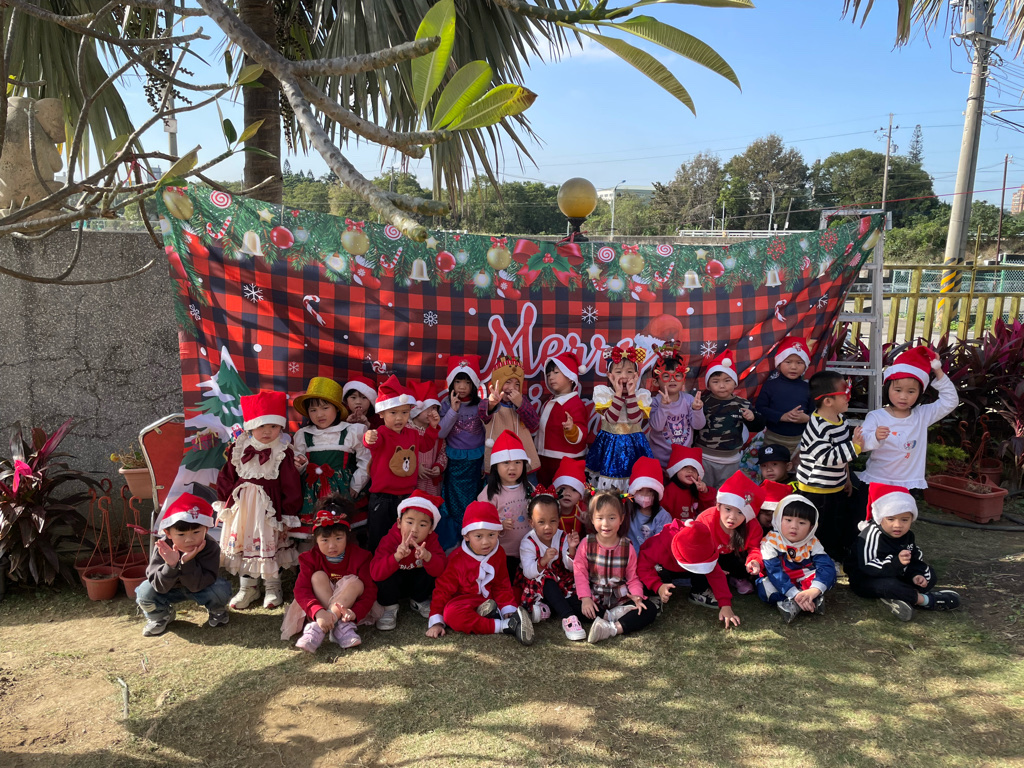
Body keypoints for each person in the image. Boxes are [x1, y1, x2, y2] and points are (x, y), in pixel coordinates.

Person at [216, 390, 302, 610]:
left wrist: (288, 514)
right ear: (250, 426)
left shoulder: (283, 451)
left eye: (273, 426)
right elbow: (227, 477)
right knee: (244, 546)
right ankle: (248, 588)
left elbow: (291, 484)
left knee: (269, 547)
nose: (267, 431)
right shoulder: (239, 448)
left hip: (269, 511)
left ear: (280, 427)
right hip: (243, 510)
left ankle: (273, 587)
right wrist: (225, 503)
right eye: (261, 426)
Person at [846, 483, 961, 621]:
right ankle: (924, 600)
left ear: (912, 519)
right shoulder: (871, 534)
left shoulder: (908, 535)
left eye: (904, 520)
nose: (898, 525)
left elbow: (914, 558)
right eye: (891, 519)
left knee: (929, 574)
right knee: (890, 586)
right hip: (867, 579)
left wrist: (916, 575)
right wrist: (896, 562)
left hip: (896, 574)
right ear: (880, 518)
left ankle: (900, 597)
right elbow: (868, 565)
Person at [425, 501, 534, 644]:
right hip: (464, 601)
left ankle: (498, 613)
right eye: (479, 536)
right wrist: (436, 621)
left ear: (498, 532)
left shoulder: (499, 553)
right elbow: (442, 590)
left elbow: (502, 584)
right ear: (466, 536)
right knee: (451, 614)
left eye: (491, 535)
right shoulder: (456, 559)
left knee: (518, 593)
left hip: (492, 597)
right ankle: (504, 625)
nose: (486, 542)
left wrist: (508, 607)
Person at [280, 497, 377, 652]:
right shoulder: (309, 559)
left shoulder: (361, 557)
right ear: (316, 539)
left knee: (355, 582)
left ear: (347, 535)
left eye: (338, 538)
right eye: (325, 540)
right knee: (317, 576)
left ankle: (320, 628)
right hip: (320, 605)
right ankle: (337, 626)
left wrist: (354, 612)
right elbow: (301, 590)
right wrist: (318, 612)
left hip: (349, 607)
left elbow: (370, 590)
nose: (332, 546)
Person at [858, 346, 958, 489]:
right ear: (887, 388)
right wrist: (875, 437)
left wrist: (938, 371)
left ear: (920, 393)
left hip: (909, 484)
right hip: (877, 481)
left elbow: (950, 401)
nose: (903, 397)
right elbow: (860, 445)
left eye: (911, 391)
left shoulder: (922, 415)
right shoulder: (876, 417)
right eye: (898, 390)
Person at [362, 375, 440, 553]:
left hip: (407, 497)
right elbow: (371, 442)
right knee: (378, 539)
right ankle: (377, 567)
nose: (399, 418)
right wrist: (368, 437)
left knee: (403, 539)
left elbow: (426, 445)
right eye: (393, 413)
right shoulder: (381, 433)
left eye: (404, 413)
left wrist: (433, 427)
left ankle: (401, 565)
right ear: (381, 413)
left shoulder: (412, 434)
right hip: (382, 499)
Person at [136, 493, 231, 637]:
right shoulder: (162, 547)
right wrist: (171, 565)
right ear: (168, 533)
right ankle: (160, 616)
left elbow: (198, 585)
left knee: (220, 588)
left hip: (200, 588)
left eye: (196, 532)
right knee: (144, 591)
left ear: (206, 529)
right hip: (169, 589)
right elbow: (158, 586)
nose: (189, 539)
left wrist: (187, 562)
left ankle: (217, 610)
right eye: (181, 534)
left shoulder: (210, 547)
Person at [677, 472, 766, 623]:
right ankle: (698, 592)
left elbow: (754, 548)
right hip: (707, 557)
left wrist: (754, 561)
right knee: (700, 567)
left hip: (728, 556)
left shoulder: (752, 526)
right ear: (718, 506)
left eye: (740, 512)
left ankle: (734, 578)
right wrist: (715, 569)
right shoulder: (706, 520)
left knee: (743, 564)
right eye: (728, 509)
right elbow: (698, 552)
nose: (732, 517)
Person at [796, 371, 865, 561]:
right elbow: (826, 457)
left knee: (835, 523)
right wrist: (855, 447)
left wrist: (847, 478)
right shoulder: (817, 427)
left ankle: (834, 553)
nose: (849, 397)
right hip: (815, 489)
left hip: (835, 485)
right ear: (828, 401)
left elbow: (842, 455)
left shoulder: (840, 419)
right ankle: (816, 558)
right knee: (818, 527)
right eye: (845, 394)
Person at [573, 492, 658, 644]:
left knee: (648, 609)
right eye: (600, 518)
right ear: (592, 519)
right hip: (595, 599)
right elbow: (580, 573)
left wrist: (637, 596)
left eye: (612, 518)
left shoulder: (627, 547)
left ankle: (612, 628)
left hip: (620, 600)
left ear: (621, 519)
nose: (606, 524)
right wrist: (585, 599)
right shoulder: (586, 544)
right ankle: (608, 616)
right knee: (572, 603)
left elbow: (633, 578)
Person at [292, 377, 370, 534]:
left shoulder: (352, 431)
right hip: (312, 493)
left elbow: (366, 460)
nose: (319, 414)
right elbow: (297, 464)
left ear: (337, 408)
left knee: (343, 532)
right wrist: (299, 465)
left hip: (342, 492)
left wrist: (356, 485)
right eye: (313, 410)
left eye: (325, 408)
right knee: (313, 534)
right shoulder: (303, 435)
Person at [369, 490, 447, 631]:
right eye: (409, 522)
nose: (414, 530)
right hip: (394, 585)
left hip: (416, 583)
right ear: (399, 522)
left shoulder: (431, 541)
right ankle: (389, 606)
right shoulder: (390, 540)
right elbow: (375, 573)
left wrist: (428, 557)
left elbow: (441, 570)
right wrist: (396, 557)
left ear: (431, 529)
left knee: (431, 564)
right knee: (386, 568)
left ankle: (419, 600)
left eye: (422, 525)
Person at [756, 494, 837, 624]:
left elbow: (826, 565)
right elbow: (774, 572)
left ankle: (806, 598)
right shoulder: (770, 541)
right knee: (764, 587)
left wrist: (814, 590)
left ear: (811, 527)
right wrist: (794, 593)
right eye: (788, 520)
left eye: (802, 523)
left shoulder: (812, 542)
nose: (794, 526)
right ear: (778, 519)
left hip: (803, 577)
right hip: (780, 581)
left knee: (829, 575)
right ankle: (805, 601)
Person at [518, 488, 585, 640]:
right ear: (531, 523)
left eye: (552, 521)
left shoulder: (562, 536)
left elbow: (570, 567)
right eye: (541, 522)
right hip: (538, 582)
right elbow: (528, 572)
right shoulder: (528, 542)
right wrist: (543, 561)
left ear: (559, 519)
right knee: (546, 577)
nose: (547, 527)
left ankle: (547, 609)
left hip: (562, 580)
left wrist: (572, 549)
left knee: (577, 599)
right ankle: (568, 618)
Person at [587, 343, 654, 491]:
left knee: (634, 478)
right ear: (609, 375)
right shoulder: (604, 393)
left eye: (629, 372)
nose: (624, 376)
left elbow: (635, 419)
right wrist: (618, 394)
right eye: (618, 372)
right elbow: (611, 419)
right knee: (608, 480)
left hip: (634, 444)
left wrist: (630, 394)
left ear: (636, 375)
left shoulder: (641, 395)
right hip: (609, 443)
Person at [694, 350, 765, 487]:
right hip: (704, 457)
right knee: (703, 490)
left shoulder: (743, 404)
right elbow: (695, 427)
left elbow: (759, 426)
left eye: (727, 381)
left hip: (730, 460)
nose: (722, 386)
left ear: (735, 382)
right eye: (716, 381)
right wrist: (695, 410)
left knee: (726, 492)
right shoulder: (703, 402)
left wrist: (752, 418)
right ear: (708, 384)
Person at [437, 354, 487, 549]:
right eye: (458, 381)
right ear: (452, 383)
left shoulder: (481, 405)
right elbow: (441, 432)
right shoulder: (446, 404)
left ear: (474, 384)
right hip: (454, 463)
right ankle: (454, 539)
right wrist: (453, 410)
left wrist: (485, 463)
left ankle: (472, 535)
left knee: (472, 501)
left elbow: (487, 434)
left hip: (475, 462)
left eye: (467, 382)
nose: (462, 387)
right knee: (453, 502)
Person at [477, 430, 533, 575]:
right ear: (496, 466)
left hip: (529, 550)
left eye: (517, 462)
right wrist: (499, 524)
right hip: (501, 552)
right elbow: (482, 521)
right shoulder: (490, 493)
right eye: (506, 463)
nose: (512, 467)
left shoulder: (529, 488)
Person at [646, 343, 705, 469]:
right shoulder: (654, 402)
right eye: (666, 376)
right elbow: (657, 426)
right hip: (659, 460)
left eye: (677, 375)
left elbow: (698, 426)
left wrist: (697, 410)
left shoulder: (689, 400)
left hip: (683, 460)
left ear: (683, 380)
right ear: (656, 381)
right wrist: (664, 406)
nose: (672, 379)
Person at [535, 351, 589, 486]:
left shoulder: (575, 404)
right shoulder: (549, 401)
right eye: (548, 374)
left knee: (562, 491)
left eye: (556, 372)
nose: (551, 377)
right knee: (544, 490)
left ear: (570, 376)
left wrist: (572, 430)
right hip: (544, 458)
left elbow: (582, 432)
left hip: (565, 460)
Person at [755, 337, 813, 460]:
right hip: (772, 439)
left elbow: (817, 413)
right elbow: (760, 408)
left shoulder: (808, 388)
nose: (793, 367)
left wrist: (807, 418)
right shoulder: (770, 386)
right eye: (788, 362)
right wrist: (782, 416)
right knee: (772, 466)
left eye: (799, 363)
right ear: (779, 363)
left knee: (793, 469)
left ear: (805, 365)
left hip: (799, 441)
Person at [482, 354, 540, 474]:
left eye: (517, 384)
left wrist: (521, 404)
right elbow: (483, 415)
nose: (512, 387)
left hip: (522, 455)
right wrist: (491, 404)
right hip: (498, 455)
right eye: (507, 382)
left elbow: (534, 423)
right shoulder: (489, 402)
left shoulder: (523, 401)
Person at [624, 457, 672, 552]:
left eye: (650, 491)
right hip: (627, 557)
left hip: (650, 559)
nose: (644, 495)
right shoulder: (626, 510)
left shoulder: (663, 517)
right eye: (640, 490)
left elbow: (660, 545)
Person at [407, 381, 446, 496]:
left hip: (430, 481)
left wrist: (438, 466)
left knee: (430, 503)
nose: (431, 412)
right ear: (416, 410)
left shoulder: (436, 430)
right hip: (412, 479)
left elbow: (443, 452)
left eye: (434, 408)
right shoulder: (407, 430)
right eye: (426, 408)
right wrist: (415, 467)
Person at [661, 445, 716, 521]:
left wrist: (704, 492)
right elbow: (663, 515)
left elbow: (708, 509)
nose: (690, 471)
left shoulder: (697, 489)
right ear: (676, 470)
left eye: (694, 468)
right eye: (685, 467)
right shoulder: (670, 491)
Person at [553, 456, 588, 534]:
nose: (567, 493)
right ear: (555, 490)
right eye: (563, 488)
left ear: (580, 496)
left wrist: (588, 523)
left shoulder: (583, 509)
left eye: (574, 490)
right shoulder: (549, 508)